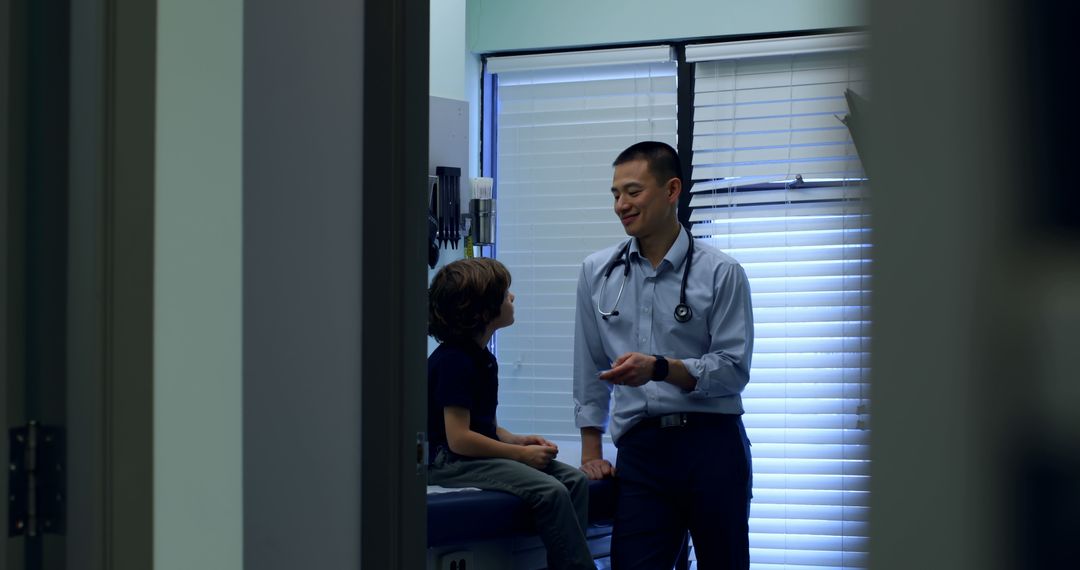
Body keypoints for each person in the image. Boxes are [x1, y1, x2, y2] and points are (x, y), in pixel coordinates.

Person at [573, 141, 754, 569]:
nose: (621, 205)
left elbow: (733, 370)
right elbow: (589, 363)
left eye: (633, 192)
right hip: (643, 451)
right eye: (615, 194)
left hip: (712, 444)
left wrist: (660, 369)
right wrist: (590, 451)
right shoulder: (597, 272)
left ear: (672, 190)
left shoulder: (722, 272)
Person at [427, 258, 595, 570]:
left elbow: (482, 425)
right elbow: (459, 439)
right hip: (447, 462)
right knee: (550, 490)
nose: (513, 298)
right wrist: (520, 457)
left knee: (574, 481)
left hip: (464, 455)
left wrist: (517, 441)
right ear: (482, 312)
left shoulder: (480, 358)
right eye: (505, 295)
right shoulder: (454, 362)